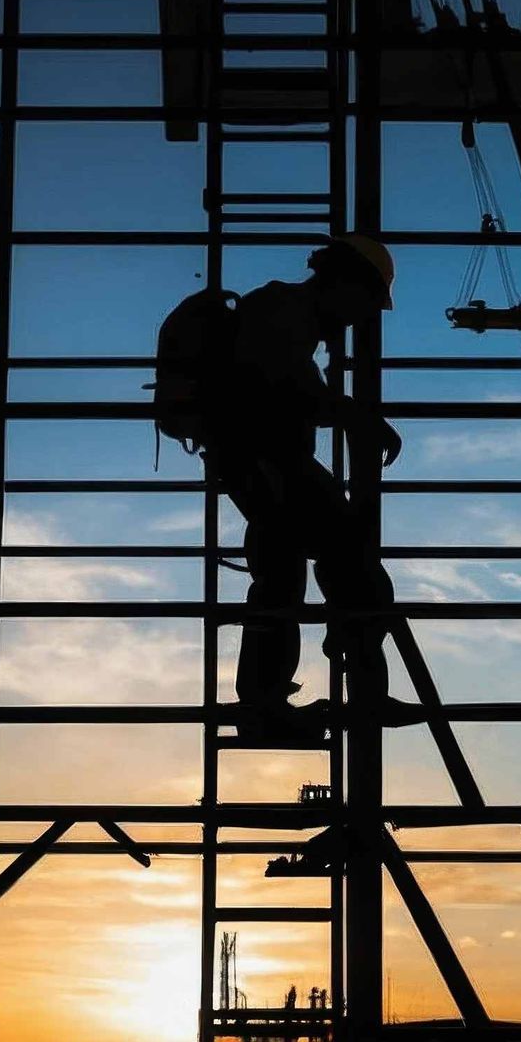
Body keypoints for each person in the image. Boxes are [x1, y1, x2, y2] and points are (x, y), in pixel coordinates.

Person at [199, 234, 402, 742]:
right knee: (324, 562)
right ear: (346, 283)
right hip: (269, 462)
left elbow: (298, 391)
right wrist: (355, 416)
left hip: (266, 462)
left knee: (289, 574)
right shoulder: (283, 313)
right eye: (364, 304)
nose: (359, 320)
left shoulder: (287, 315)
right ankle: (309, 691)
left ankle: (275, 698)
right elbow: (286, 394)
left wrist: (351, 415)